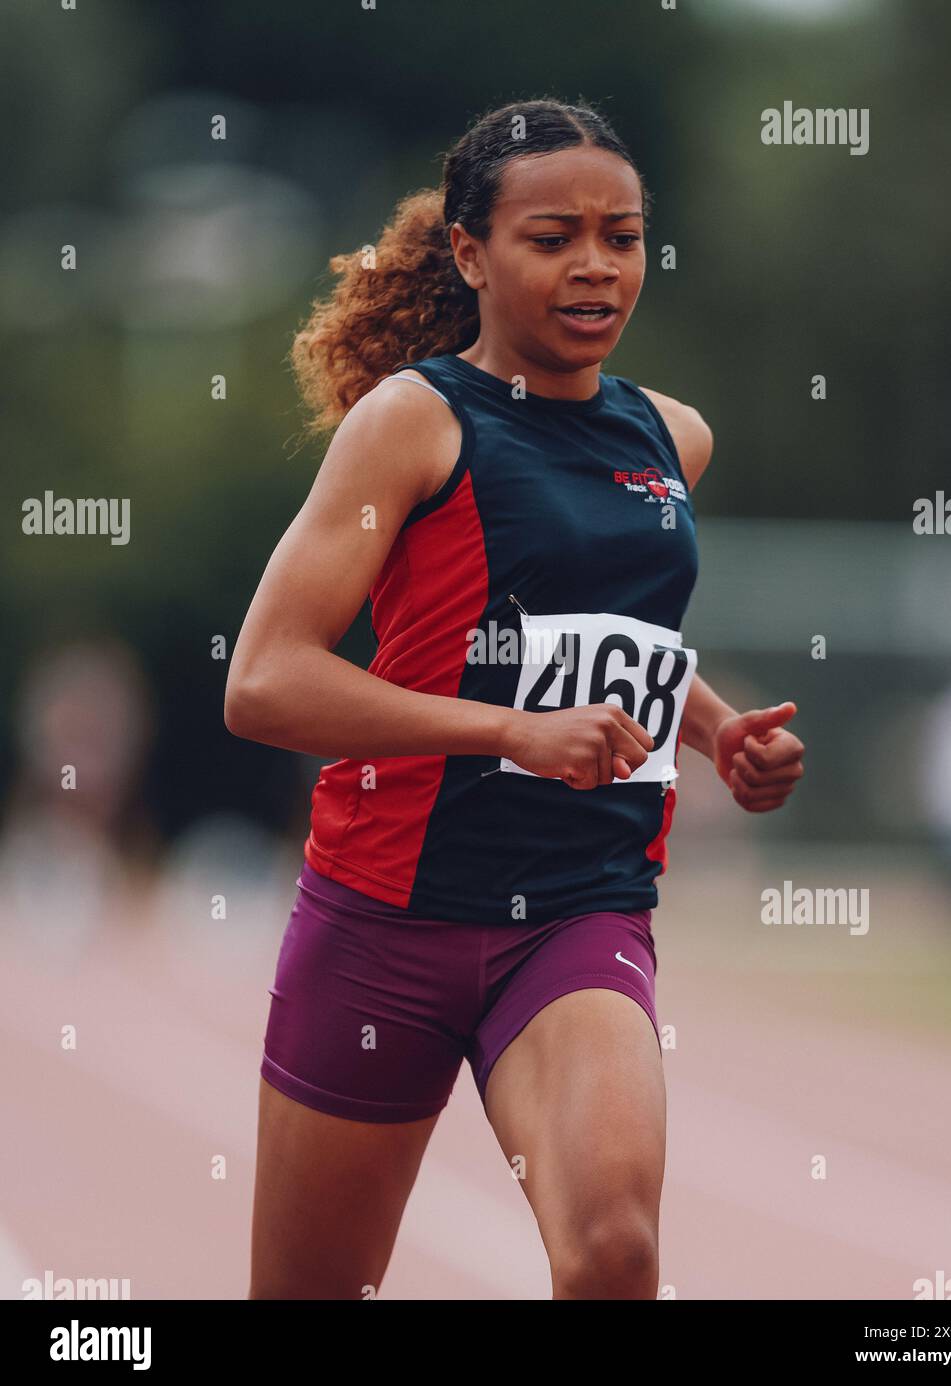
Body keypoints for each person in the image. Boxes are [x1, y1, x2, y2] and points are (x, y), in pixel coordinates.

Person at [225, 97, 805, 1300]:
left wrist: (711, 733)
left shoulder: (672, 439)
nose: (595, 265)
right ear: (469, 253)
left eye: (623, 234)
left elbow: (613, 638)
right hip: (384, 919)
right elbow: (266, 678)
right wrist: (506, 732)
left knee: (612, 1252)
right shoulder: (412, 424)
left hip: (575, 916)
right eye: (553, 238)